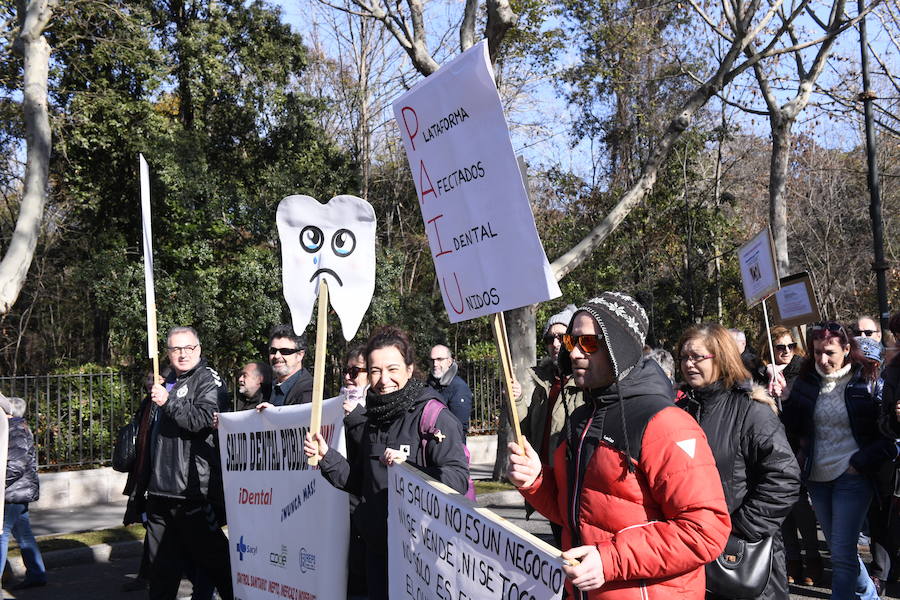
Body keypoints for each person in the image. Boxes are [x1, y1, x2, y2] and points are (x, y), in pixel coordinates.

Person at [507, 292, 731, 598]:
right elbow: (576, 516)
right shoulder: (581, 419)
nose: (573, 353)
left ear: (619, 347)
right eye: (571, 342)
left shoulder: (666, 424)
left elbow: (704, 530)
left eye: (588, 342)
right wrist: (535, 480)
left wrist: (609, 559)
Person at [304, 326, 469, 600]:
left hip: (421, 558)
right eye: (376, 370)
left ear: (409, 368)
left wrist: (411, 472)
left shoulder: (434, 416)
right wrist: (327, 458)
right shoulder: (373, 417)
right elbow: (361, 482)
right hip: (378, 554)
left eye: (392, 369)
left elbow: (457, 481)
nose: (384, 379)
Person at [676, 323, 800, 600]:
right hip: (691, 554)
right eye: (684, 357)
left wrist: (739, 530)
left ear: (721, 358)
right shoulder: (678, 411)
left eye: (697, 357)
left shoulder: (751, 410)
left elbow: (784, 478)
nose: (688, 364)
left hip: (743, 557)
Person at [783, 321, 895, 599]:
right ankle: (869, 595)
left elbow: (890, 436)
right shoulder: (806, 383)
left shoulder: (868, 381)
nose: (823, 359)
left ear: (846, 349)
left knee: (843, 553)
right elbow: (793, 430)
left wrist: (861, 462)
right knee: (839, 549)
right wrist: (782, 399)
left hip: (853, 477)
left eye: (830, 352)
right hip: (817, 478)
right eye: (818, 351)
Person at [146, 326, 233, 600]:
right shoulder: (167, 381)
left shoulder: (208, 380)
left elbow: (202, 420)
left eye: (188, 348)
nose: (182, 354)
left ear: (199, 349)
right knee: (161, 571)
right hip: (160, 490)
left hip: (191, 492)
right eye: (175, 349)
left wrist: (168, 401)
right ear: (167, 353)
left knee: (218, 564)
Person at [756, 326, 821, 585]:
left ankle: (813, 559)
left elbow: (807, 411)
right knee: (781, 509)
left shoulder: (803, 373)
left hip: (796, 447)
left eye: (790, 347)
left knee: (801, 506)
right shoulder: (760, 375)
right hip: (769, 449)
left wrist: (786, 397)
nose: (785, 352)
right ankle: (792, 559)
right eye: (779, 347)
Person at [515, 305, 583, 546]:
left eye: (561, 337)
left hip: (571, 482)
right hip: (544, 476)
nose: (555, 344)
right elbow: (527, 427)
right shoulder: (544, 382)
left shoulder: (585, 380)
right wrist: (518, 400)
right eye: (549, 338)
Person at [0, 396, 46, 592]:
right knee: (24, 534)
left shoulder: (14, 428)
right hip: (17, 492)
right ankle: (37, 574)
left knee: (1, 536)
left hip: (11, 493)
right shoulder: (16, 427)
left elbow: (16, 466)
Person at [340, 345, 369, 600]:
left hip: (362, 503)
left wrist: (356, 417)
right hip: (339, 502)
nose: (349, 377)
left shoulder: (374, 406)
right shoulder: (338, 402)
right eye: (345, 371)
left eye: (355, 371)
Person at [427, 344, 474, 433]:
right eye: (432, 360)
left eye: (439, 359)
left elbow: (459, 426)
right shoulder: (429, 384)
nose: (435, 364)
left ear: (449, 361)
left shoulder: (459, 388)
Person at [267, 324, 313, 405]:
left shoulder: (311, 391)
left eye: (285, 351)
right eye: (273, 351)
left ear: (300, 355)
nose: (277, 356)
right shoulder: (265, 391)